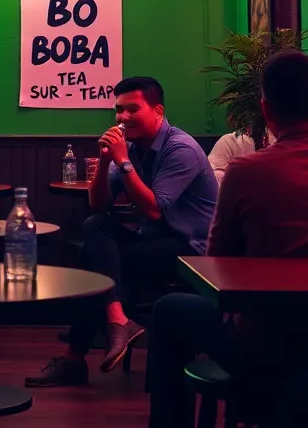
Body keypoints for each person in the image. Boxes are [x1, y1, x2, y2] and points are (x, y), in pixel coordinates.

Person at [148, 51, 308, 428]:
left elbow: (219, 266)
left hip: (268, 348)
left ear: (266, 111)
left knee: (169, 309)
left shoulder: (246, 173)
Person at [27, 76, 218, 387]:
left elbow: (155, 209)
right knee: (95, 228)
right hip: (154, 241)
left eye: (132, 109)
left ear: (158, 110)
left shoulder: (180, 149)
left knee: (98, 265)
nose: (123, 117)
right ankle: (117, 319)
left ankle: (77, 355)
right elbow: (98, 207)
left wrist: (123, 162)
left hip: (193, 250)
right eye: (118, 110)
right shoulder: (129, 147)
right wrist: (104, 164)